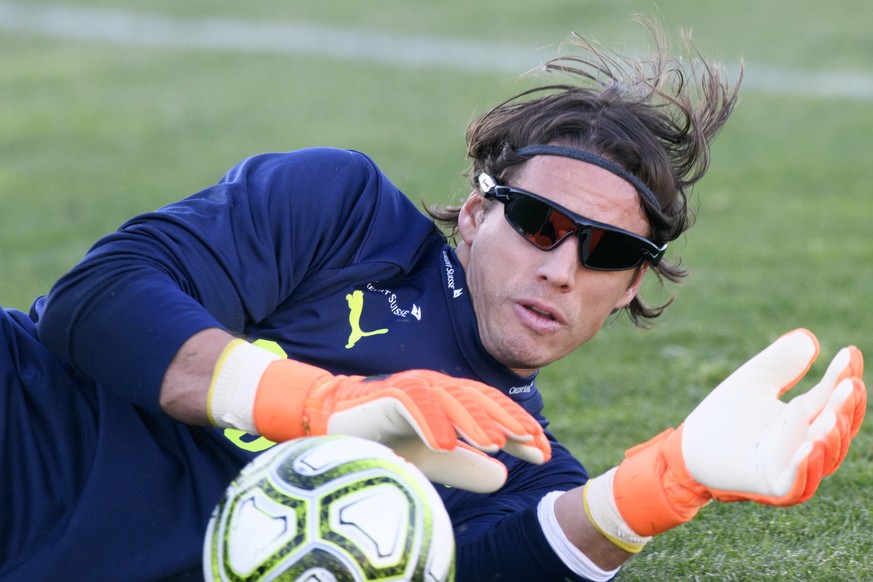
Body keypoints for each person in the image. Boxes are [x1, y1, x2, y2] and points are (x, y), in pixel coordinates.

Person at [1, 18, 866, 581]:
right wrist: (325, 405)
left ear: (629, 288)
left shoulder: (517, 459)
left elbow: (506, 562)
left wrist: (662, 485)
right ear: (477, 213)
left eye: (607, 252)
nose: (562, 268)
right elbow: (100, 300)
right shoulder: (340, 213)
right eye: (536, 222)